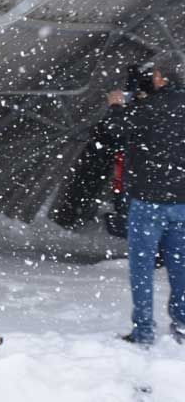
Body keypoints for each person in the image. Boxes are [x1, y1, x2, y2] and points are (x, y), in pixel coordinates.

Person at [106, 51, 185, 346]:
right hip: (183, 203)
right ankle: (182, 322)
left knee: (142, 269)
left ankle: (144, 330)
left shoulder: (147, 108)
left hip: (148, 201)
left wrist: (116, 106)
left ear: (160, 78)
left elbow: (115, 131)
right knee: (181, 266)